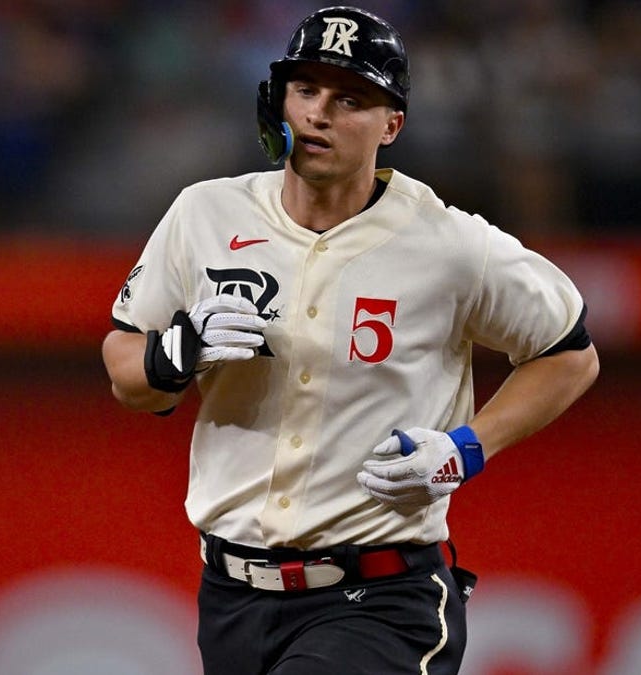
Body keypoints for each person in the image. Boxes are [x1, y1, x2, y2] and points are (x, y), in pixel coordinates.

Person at [102, 6, 599, 674]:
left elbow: (569, 352)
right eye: (305, 89)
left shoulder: (446, 242)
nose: (318, 113)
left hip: (381, 595)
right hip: (232, 597)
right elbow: (123, 365)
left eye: (350, 98)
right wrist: (175, 351)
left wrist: (465, 449)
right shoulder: (204, 214)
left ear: (392, 124)